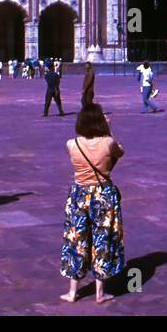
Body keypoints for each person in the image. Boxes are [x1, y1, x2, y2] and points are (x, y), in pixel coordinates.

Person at [60, 102, 126, 304]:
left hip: (79, 194)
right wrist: (109, 129)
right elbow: (119, 154)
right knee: (102, 240)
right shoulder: (108, 142)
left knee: (76, 239)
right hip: (103, 194)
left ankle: (72, 292)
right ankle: (100, 292)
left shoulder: (72, 144)